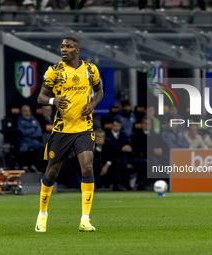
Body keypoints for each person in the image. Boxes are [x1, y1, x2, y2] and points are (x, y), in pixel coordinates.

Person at [35, 36, 103, 233]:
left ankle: (85, 219)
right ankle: (42, 214)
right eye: (62, 46)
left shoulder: (91, 69)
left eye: (68, 46)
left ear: (77, 50)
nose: (63, 49)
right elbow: (40, 97)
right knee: (52, 171)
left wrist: (92, 104)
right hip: (62, 129)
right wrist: (53, 101)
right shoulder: (54, 71)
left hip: (83, 127)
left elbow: (99, 91)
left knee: (88, 166)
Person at [105, 118, 133, 191]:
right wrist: (121, 149)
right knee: (118, 162)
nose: (117, 127)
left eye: (118, 125)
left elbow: (128, 146)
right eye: (115, 125)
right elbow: (111, 150)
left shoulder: (124, 135)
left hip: (125, 157)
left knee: (142, 162)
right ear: (111, 126)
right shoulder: (107, 136)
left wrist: (129, 149)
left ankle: (132, 184)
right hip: (112, 158)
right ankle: (117, 185)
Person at [17, 105, 45, 171]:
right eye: (25, 111)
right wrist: (32, 129)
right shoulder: (19, 121)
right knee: (22, 149)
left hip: (34, 140)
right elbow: (22, 132)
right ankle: (22, 168)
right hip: (24, 141)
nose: (27, 113)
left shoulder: (35, 120)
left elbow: (39, 133)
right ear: (21, 112)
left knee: (42, 147)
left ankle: (38, 167)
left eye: (28, 111)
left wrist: (29, 133)